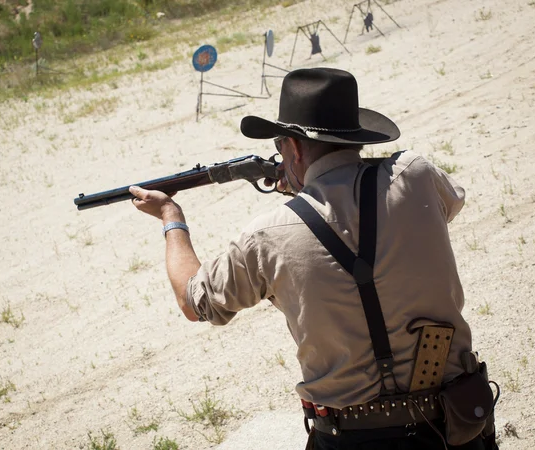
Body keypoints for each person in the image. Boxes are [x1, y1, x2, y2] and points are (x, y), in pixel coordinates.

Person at [129, 68, 497, 450]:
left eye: (281, 144)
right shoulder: (416, 174)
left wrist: (171, 217)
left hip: (350, 437)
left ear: (294, 147)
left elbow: (193, 302)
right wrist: (320, 189)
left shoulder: (266, 235)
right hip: (455, 425)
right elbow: (440, 210)